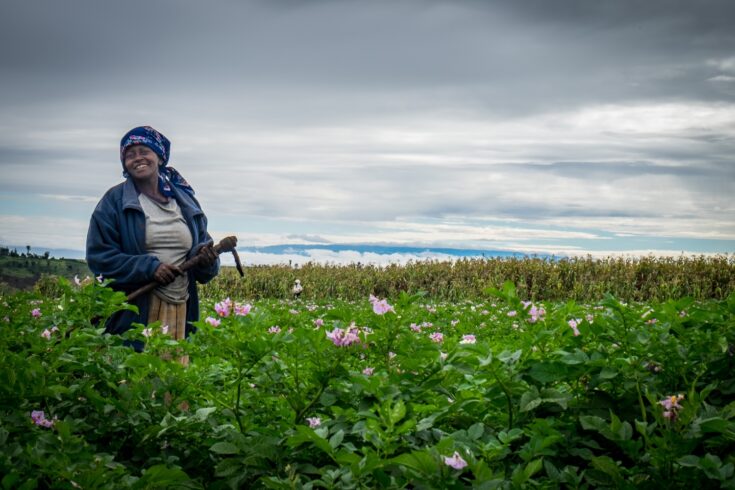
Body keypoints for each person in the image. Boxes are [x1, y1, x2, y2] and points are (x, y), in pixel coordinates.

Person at [86, 126, 220, 353]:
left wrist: (206, 259)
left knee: (171, 378)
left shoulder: (186, 202)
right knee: (135, 376)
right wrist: (149, 268)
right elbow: (100, 257)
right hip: (135, 309)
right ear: (124, 163)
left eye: (143, 151)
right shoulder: (114, 201)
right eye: (130, 155)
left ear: (159, 156)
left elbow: (203, 255)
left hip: (180, 306)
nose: (137, 158)